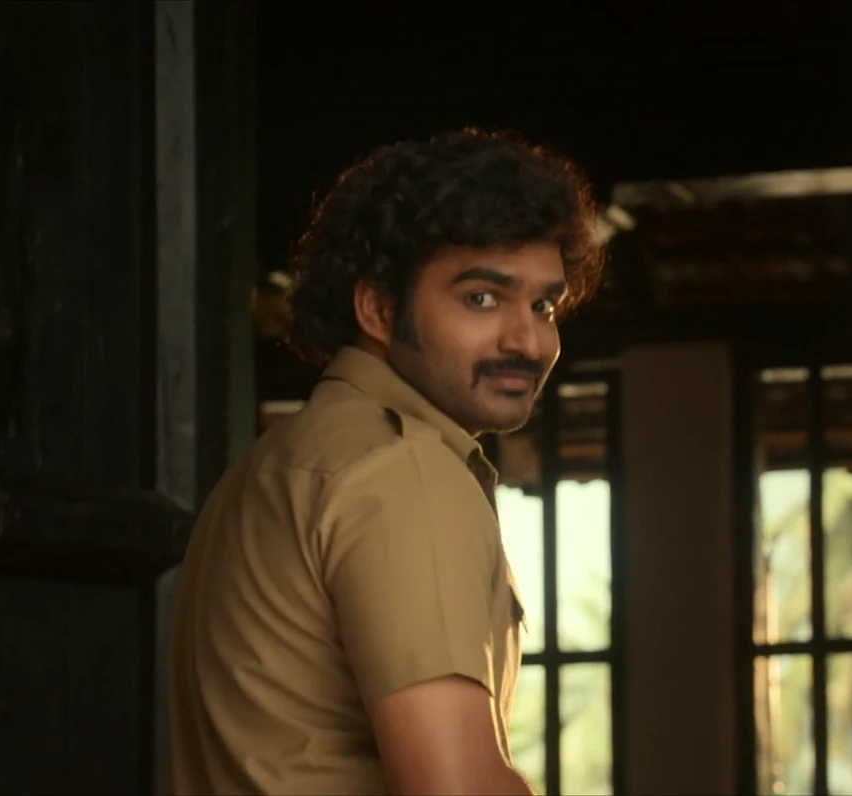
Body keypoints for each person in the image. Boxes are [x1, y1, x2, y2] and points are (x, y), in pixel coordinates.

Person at [166, 128, 605, 795]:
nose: (529, 340)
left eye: (543, 304)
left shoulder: (275, 464)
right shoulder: (402, 471)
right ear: (377, 308)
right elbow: (455, 789)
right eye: (482, 298)